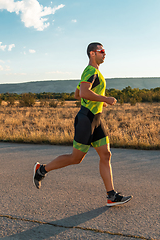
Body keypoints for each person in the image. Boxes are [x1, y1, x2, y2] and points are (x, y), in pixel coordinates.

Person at [33, 42, 132, 207]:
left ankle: (111, 195)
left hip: (96, 119)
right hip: (86, 119)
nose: (104, 54)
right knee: (76, 158)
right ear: (92, 53)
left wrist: (99, 102)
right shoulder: (90, 71)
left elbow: (77, 93)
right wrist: (104, 99)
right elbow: (84, 93)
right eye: (102, 51)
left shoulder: (94, 72)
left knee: (106, 155)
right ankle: (41, 170)